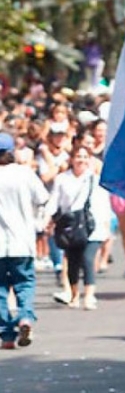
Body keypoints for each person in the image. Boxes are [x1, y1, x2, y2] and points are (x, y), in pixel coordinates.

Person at [0, 132, 49, 349]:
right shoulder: (24, 173)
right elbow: (43, 199)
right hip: (22, 240)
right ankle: (26, 316)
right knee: (25, 283)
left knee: (0, 290)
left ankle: (7, 336)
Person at [47, 145, 111, 310]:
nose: (81, 160)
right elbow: (55, 201)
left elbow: (103, 203)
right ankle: (74, 295)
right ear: (72, 159)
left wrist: (106, 224)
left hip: (91, 225)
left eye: (85, 157)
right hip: (70, 226)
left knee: (88, 259)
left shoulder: (95, 180)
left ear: (89, 160)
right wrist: (48, 219)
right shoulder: (62, 179)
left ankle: (89, 296)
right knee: (73, 262)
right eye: (78, 156)